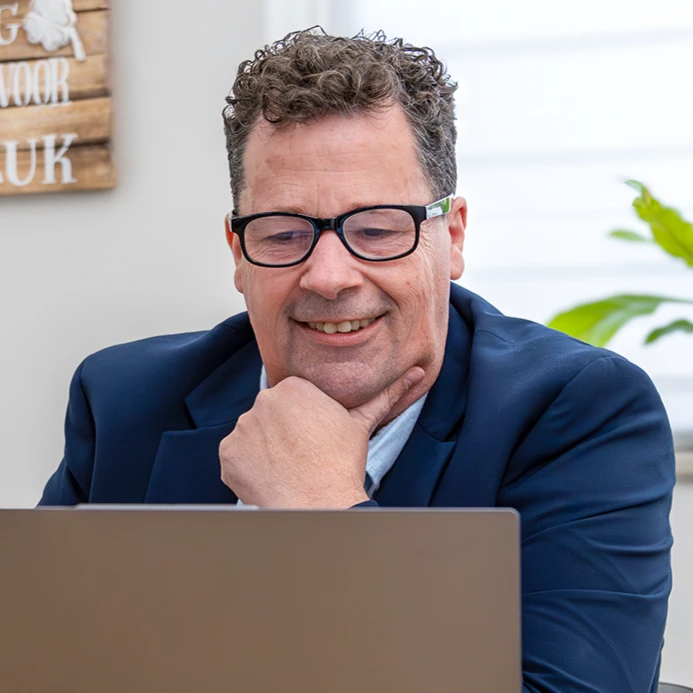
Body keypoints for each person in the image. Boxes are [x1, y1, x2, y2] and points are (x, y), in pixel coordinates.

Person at [39, 28, 674, 692]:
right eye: (283, 233)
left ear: (452, 237)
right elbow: (42, 662)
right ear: (237, 253)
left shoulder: (579, 412)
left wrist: (322, 513)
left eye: (376, 228)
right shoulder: (124, 400)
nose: (329, 276)